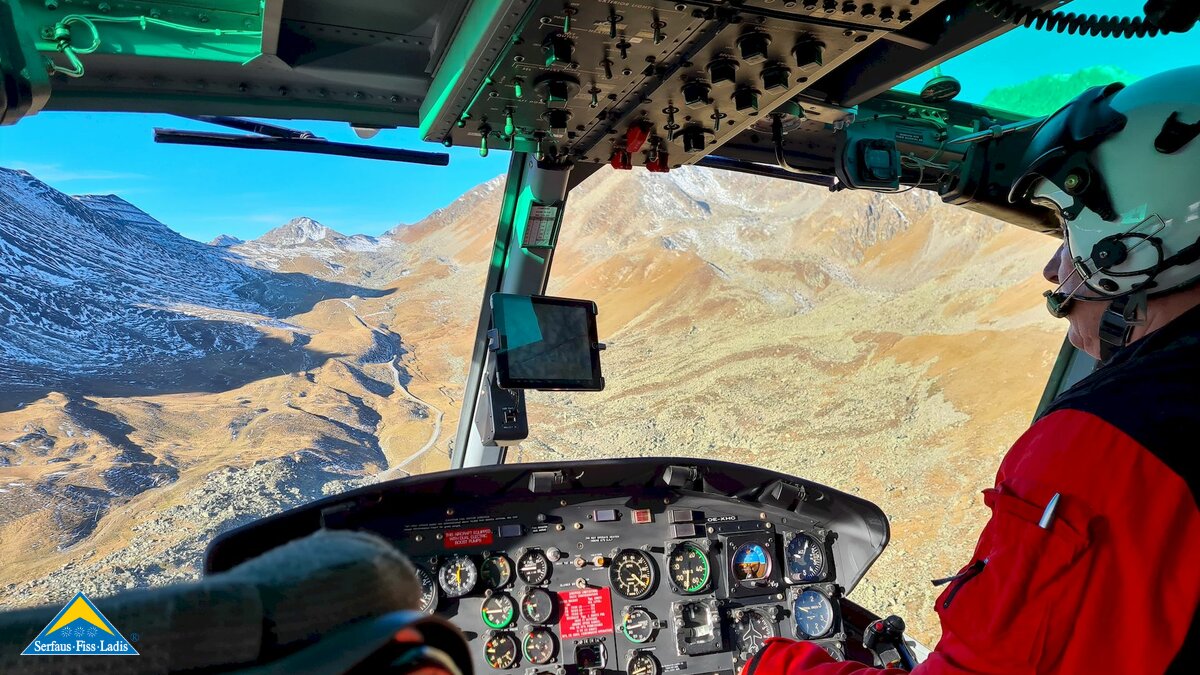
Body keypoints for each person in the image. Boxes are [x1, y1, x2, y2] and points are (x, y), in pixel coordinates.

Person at [745, 66, 1200, 675]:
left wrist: (769, 666)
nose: (1054, 268)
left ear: (1129, 246)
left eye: (1069, 232)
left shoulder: (1105, 448)